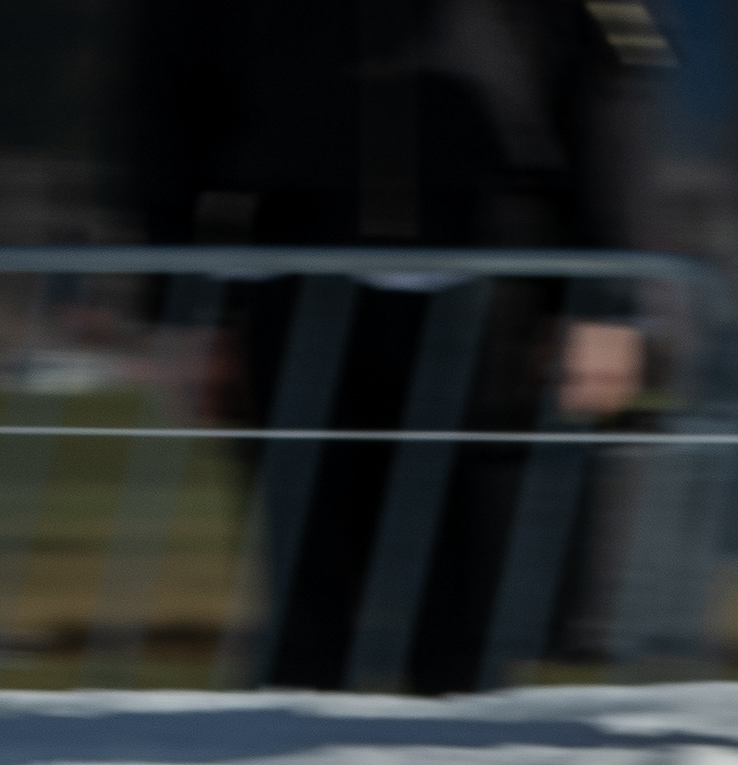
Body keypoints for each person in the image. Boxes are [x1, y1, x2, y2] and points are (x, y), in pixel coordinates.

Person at [122, 0, 669, 691]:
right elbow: (160, 87)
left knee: (469, 624)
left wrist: (604, 299)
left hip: (493, 274)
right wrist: (181, 307)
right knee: (307, 622)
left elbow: (607, 84)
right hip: (291, 266)